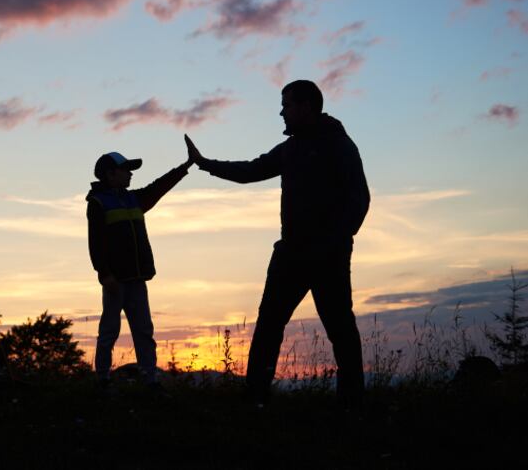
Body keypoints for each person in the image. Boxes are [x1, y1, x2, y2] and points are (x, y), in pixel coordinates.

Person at [184, 79, 369, 409]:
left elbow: (359, 199)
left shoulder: (339, 144)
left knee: (340, 327)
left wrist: (336, 241)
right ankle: (255, 397)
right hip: (291, 253)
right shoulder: (290, 148)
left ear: (306, 106)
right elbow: (252, 170)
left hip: (328, 255)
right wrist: (206, 164)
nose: (281, 112)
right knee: (269, 324)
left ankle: (353, 402)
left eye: (286, 105)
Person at [87, 150, 192, 389]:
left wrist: (184, 167)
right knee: (109, 331)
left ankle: (150, 379)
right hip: (115, 280)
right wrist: (104, 275)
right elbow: (96, 243)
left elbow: (158, 187)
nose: (130, 174)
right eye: (125, 170)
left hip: (137, 279)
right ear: (110, 174)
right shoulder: (98, 204)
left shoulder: (135, 199)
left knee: (144, 330)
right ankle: (102, 378)